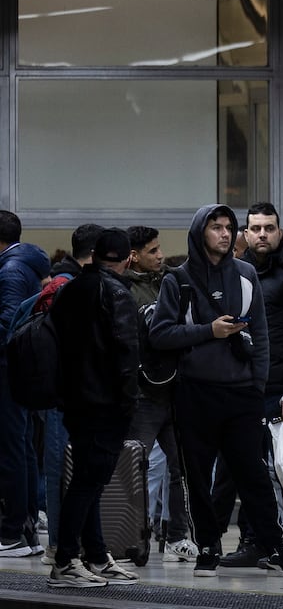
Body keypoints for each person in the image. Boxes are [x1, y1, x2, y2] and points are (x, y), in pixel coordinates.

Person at [149, 204, 283, 578]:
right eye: (215, 227)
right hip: (194, 391)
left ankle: (273, 545)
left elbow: (261, 334)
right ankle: (207, 546)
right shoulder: (178, 279)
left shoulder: (246, 274)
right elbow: (160, 334)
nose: (223, 233)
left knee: (253, 473)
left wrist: (257, 384)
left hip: (242, 392)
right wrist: (207, 331)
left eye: (228, 227)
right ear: (200, 232)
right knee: (197, 476)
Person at [217, 202, 283, 566]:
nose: (262, 234)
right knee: (248, 468)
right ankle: (254, 540)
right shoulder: (240, 272)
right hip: (246, 386)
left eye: (269, 228)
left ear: (280, 231)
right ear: (245, 232)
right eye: (255, 228)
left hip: (282, 390)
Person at [47, 228, 141, 587]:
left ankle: (98, 556)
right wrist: (129, 401)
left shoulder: (70, 290)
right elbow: (125, 354)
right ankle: (67, 561)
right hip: (106, 403)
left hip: (74, 400)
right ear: (128, 257)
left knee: (89, 480)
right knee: (89, 481)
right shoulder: (116, 292)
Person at [123, 224, 197, 565]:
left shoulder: (172, 282)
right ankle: (134, 538)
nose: (160, 255)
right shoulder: (124, 290)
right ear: (134, 255)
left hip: (176, 390)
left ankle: (179, 536)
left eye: (159, 249)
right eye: (152, 251)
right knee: (134, 469)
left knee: (181, 468)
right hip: (143, 394)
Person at [38, 224, 103, 566]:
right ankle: (59, 546)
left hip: (64, 392)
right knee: (63, 467)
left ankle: (73, 545)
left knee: (70, 467)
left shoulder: (63, 284)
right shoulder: (69, 287)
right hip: (67, 394)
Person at [0, 210, 51, 558]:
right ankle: (26, 526)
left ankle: (14, 531)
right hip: (16, 368)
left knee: (11, 447)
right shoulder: (21, 265)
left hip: (6, 368)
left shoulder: (11, 270)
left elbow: (8, 322)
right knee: (21, 446)